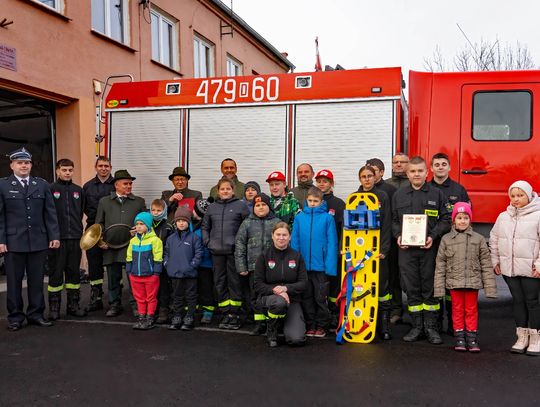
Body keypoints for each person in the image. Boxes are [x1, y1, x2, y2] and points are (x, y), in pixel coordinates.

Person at [392, 156, 451, 344]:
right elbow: (393, 221)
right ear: (407, 174)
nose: (416, 174)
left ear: (427, 172)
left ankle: (432, 328)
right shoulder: (398, 195)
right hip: (406, 250)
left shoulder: (437, 194)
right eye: (413, 171)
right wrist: (398, 236)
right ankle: (417, 326)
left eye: (420, 171)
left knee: (430, 288)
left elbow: (446, 219)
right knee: (411, 288)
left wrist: (432, 236)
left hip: (430, 249)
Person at [0, 147, 60, 331]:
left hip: (38, 240)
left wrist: (54, 236)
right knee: (14, 282)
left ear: (31, 165)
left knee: (36, 280)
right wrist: (1, 240)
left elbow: (50, 213)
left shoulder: (41, 185)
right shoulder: (2, 185)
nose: (24, 166)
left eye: (26, 163)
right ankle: (15, 317)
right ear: (12, 165)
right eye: (20, 162)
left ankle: (36, 314)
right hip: (13, 242)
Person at [434, 202, 497, 352]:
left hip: (472, 283)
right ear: (453, 220)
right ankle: (460, 338)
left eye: (466, 218)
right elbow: (440, 265)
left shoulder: (479, 239)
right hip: (454, 283)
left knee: (471, 310)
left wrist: (490, 289)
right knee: (457, 309)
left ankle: (471, 337)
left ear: (470, 220)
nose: (462, 221)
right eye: (459, 217)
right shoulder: (446, 239)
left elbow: (486, 264)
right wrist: (438, 289)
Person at [490, 180, 540, 356]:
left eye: (520, 195)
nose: (516, 199)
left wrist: (539, 265)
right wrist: (495, 261)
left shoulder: (538, 215)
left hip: (531, 269)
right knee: (518, 301)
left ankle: (535, 337)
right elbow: (494, 238)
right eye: (513, 196)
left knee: (532, 301)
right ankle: (522, 336)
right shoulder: (504, 216)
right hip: (510, 268)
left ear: (529, 195)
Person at [429, 152, 471, 334]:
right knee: (436, 283)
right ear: (431, 168)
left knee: (451, 285)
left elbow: (467, 216)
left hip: (454, 244)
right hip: (431, 244)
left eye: (443, 164)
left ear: (449, 167)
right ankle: (436, 323)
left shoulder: (458, 190)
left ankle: (455, 324)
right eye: (436, 164)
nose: (440, 167)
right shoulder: (425, 189)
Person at [95, 169, 146, 317]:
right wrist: (100, 241)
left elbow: (145, 222)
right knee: (113, 278)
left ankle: (136, 305)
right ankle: (114, 304)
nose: (129, 186)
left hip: (133, 246)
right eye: (125, 184)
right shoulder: (104, 202)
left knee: (134, 278)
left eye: (130, 184)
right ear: (116, 185)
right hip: (111, 247)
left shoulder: (139, 201)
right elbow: (99, 225)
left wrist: (139, 228)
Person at [202, 178, 250, 330]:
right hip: (216, 252)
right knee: (220, 282)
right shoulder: (211, 208)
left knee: (234, 283)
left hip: (233, 252)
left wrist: (240, 245)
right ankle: (225, 312)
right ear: (218, 190)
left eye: (228, 189)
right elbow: (205, 227)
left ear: (233, 190)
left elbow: (246, 227)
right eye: (222, 189)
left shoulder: (241, 206)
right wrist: (208, 242)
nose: (225, 191)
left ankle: (234, 315)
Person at [291, 187, 338, 338]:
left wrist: (330, 267)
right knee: (307, 297)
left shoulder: (327, 218)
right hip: (303, 267)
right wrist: (294, 265)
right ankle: (310, 325)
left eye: (315, 201)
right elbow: (295, 242)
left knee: (320, 298)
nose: (312, 203)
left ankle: (322, 326)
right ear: (306, 201)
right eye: (310, 201)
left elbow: (332, 243)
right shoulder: (299, 218)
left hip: (321, 267)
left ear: (321, 202)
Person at [254, 222, 308, 347]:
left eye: (284, 235)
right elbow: (257, 284)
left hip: (292, 300)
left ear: (290, 237)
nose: (281, 238)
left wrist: (286, 288)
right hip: (269, 298)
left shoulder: (297, 256)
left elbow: (304, 283)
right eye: (278, 234)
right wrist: (276, 291)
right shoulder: (264, 256)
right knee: (279, 302)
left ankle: (283, 324)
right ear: (272, 236)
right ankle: (271, 330)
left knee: (297, 340)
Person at [235, 193, 281, 335]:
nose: (260, 207)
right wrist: (241, 266)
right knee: (255, 296)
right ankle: (259, 323)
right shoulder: (247, 223)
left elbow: (283, 244)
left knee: (271, 294)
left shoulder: (276, 223)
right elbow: (240, 244)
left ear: (269, 206)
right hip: (254, 268)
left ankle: (272, 324)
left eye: (263, 205)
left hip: (272, 268)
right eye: (257, 205)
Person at [47, 158, 86, 320]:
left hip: (75, 238)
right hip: (57, 239)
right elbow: (47, 214)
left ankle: (73, 305)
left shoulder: (79, 190)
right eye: (64, 170)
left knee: (73, 273)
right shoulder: (50, 189)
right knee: (56, 273)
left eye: (70, 170)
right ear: (57, 171)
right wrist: (51, 235)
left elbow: (83, 211)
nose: (67, 173)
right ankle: (54, 308)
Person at [357, 165, 393, 340]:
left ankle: (383, 325)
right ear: (360, 179)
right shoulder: (354, 198)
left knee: (382, 289)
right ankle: (362, 322)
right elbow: (348, 228)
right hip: (359, 252)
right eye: (363, 176)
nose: (367, 179)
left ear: (375, 177)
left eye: (370, 176)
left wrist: (384, 249)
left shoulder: (382, 196)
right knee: (361, 288)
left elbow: (386, 224)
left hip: (378, 251)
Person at [367, 158, 402, 324]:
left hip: (386, 243)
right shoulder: (360, 192)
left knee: (390, 277)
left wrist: (386, 246)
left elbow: (390, 218)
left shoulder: (389, 190)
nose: (370, 176)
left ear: (380, 172)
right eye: (367, 173)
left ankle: (393, 310)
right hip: (366, 245)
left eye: (373, 172)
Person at [82, 156, 115, 312]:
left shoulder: (117, 185)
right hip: (92, 230)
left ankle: (116, 299)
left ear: (110, 167)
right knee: (94, 264)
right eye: (101, 166)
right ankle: (96, 297)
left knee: (113, 264)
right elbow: (83, 207)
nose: (103, 168)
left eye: (106, 166)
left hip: (111, 229)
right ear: (95, 167)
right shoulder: (87, 186)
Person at [314, 169, 345, 327]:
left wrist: (340, 248)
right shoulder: (311, 202)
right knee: (318, 285)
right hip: (317, 253)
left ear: (331, 184)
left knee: (333, 284)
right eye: (319, 181)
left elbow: (343, 229)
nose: (321, 184)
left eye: (325, 181)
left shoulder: (338, 204)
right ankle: (319, 315)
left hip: (333, 252)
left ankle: (334, 314)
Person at [164, 206, 203, 331]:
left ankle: (189, 317)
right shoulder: (170, 239)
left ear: (189, 222)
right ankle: (177, 316)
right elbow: (166, 253)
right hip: (175, 274)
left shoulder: (194, 238)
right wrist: (167, 264)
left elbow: (199, 254)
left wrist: (191, 266)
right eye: (178, 221)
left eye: (184, 220)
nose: (181, 223)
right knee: (177, 296)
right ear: (175, 222)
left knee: (191, 296)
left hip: (190, 274)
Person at [125, 212, 163, 330]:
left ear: (148, 225)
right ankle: (142, 317)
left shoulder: (155, 240)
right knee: (139, 298)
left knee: (150, 297)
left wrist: (156, 273)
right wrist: (129, 271)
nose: (139, 226)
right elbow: (129, 257)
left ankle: (150, 317)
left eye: (142, 224)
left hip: (150, 276)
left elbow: (158, 257)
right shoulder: (133, 241)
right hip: (135, 275)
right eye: (137, 224)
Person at [150, 199, 174, 324]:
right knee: (152, 287)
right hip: (150, 261)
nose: (155, 213)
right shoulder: (147, 224)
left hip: (163, 261)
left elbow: (171, 245)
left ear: (164, 210)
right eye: (153, 210)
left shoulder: (169, 225)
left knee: (164, 286)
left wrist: (167, 260)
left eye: (159, 210)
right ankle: (152, 310)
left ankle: (164, 309)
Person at [192, 198, 215, 324]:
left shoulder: (206, 227)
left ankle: (208, 311)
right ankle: (194, 309)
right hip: (193, 264)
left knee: (206, 288)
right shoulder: (190, 224)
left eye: (194, 210)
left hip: (206, 264)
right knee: (194, 288)